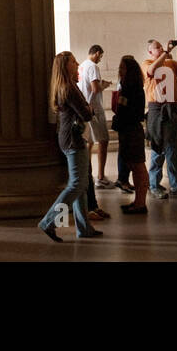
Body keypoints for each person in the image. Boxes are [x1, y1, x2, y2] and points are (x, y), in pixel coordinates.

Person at [39, 51, 99, 242]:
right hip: (73, 139)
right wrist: (90, 109)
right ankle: (49, 221)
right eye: (73, 62)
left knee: (81, 185)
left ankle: (84, 228)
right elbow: (87, 114)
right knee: (77, 184)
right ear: (66, 66)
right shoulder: (69, 88)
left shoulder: (64, 86)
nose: (77, 64)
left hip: (69, 137)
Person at [142, 39, 177, 198]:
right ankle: (154, 185)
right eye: (158, 47)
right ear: (150, 51)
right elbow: (151, 70)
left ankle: (176, 185)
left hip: (173, 108)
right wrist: (166, 52)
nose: (162, 48)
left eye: (162, 46)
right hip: (157, 110)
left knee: (174, 150)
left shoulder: (170, 63)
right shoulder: (146, 63)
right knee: (158, 149)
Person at [113, 54, 148, 214]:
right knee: (135, 166)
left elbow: (125, 110)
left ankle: (140, 203)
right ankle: (138, 201)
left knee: (138, 166)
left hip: (131, 129)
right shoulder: (132, 86)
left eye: (122, 67)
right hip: (130, 128)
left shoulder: (130, 88)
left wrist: (119, 120)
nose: (119, 70)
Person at [79, 45, 113, 189]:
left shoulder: (81, 66)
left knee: (89, 142)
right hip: (95, 109)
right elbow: (95, 88)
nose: (100, 59)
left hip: (85, 107)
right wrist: (104, 85)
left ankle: (86, 174)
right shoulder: (93, 66)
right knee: (103, 140)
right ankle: (100, 176)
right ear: (97, 53)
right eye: (101, 56)